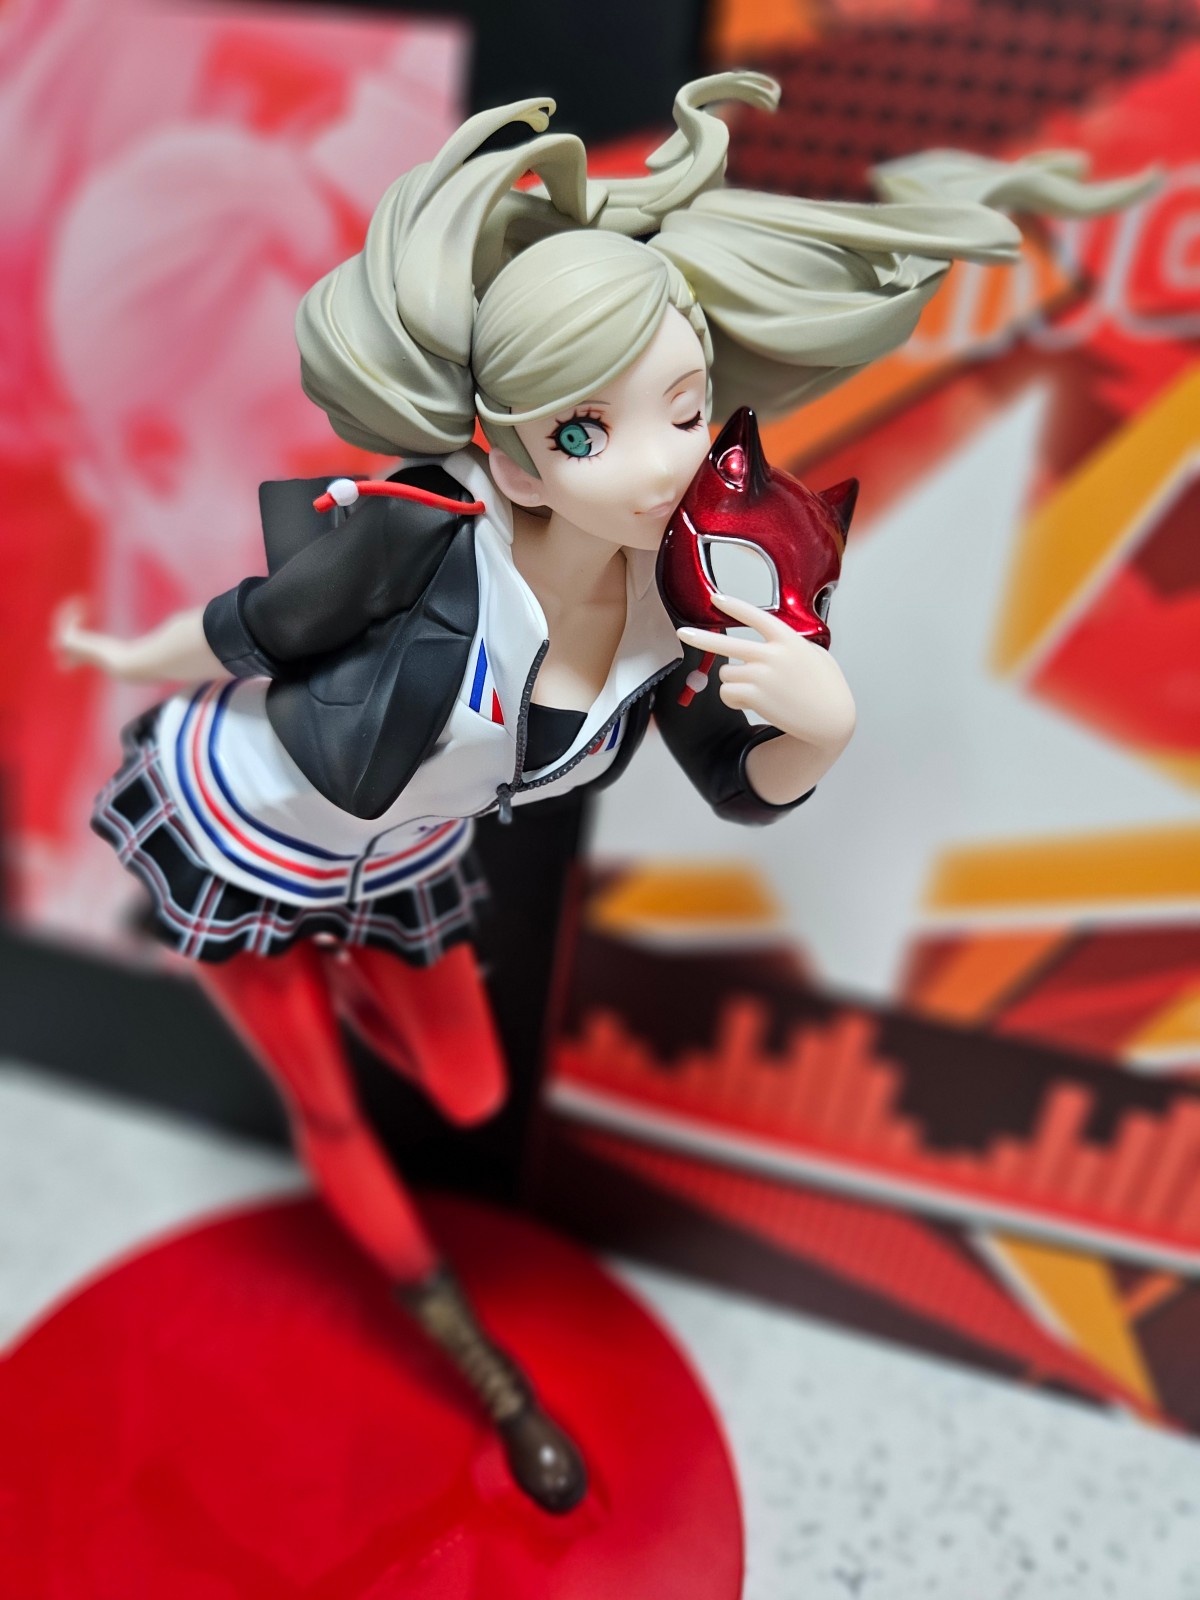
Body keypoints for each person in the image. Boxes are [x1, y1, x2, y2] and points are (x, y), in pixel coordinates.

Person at [56, 71, 1148, 1512]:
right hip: (256, 823)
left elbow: (735, 783)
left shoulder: (676, 607)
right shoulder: (422, 533)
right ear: (512, 453)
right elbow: (258, 625)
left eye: (684, 410)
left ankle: (339, 970)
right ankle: (473, 1351)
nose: (656, 466)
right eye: (587, 434)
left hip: (401, 858)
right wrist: (122, 655)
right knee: (332, 1112)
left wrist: (819, 731)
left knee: (468, 1089)